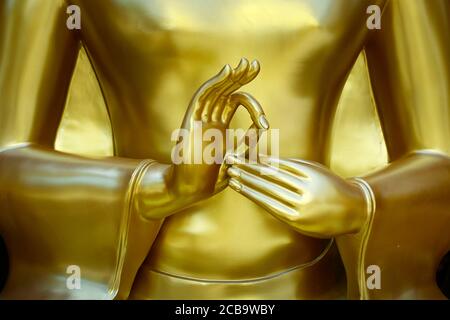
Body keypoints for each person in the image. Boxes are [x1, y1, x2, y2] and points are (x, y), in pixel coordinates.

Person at [0, 0, 448, 299]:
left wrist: (360, 206)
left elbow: (440, 157)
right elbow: (10, 154)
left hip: (316, 285)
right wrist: (160, 188)